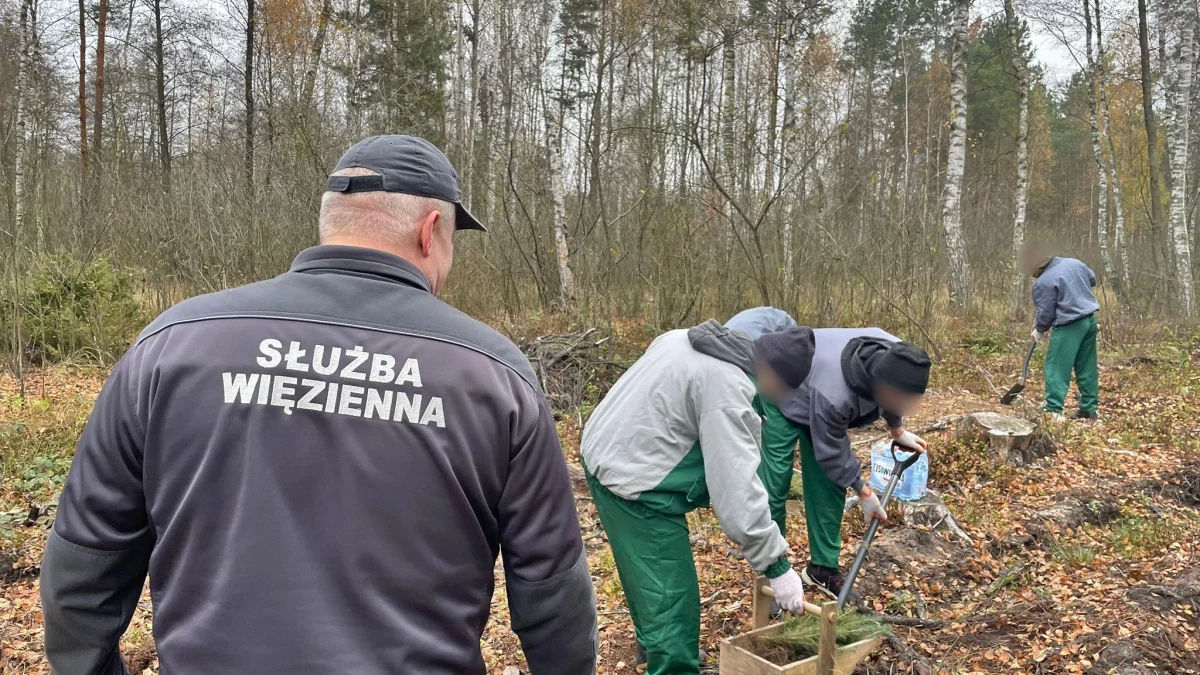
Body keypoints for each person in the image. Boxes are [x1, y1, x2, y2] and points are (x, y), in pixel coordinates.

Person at [40, 135, 597, 675]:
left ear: (332, 222)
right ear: (431, 232)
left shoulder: (174, 343)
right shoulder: (492, 373)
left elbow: (85, 557)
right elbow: (551, 589)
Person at [581, 320, 817, 675]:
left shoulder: (689, 340)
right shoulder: (727, 388)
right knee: (672, 599)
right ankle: (670, 662)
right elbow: (736, 492)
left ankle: (652, 649)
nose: (778, 401)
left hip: (605, 451)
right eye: (782, 391)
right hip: (634, 484)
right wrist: (777, 567)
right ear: (770, 371)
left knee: (647, 580)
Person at [727, 307, 930, 601]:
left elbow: (896, 398)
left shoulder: (899, 357)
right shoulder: (836, 394)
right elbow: (832, 451)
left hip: (820, 400)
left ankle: (822, 569)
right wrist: (863, 492)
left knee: (829, 484)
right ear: (879, 383)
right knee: (775, 483)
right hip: (784, 393)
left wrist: (896, 430)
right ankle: (772, 570)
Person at [1022, 243, 1100, 420]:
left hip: (1069, 326)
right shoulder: (1075, 263)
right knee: (1087, 366)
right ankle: (1089, 409)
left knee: (1057, 367)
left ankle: (1054, 410)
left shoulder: (1043, 282)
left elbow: (1046, 312)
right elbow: (1092, 279)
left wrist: (1040, 329)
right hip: (1089, 321)